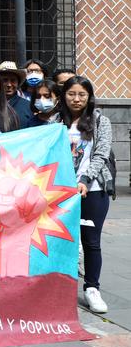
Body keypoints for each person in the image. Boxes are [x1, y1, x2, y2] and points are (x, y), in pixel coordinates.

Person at [60, 76, 113, 313]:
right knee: (60, 240)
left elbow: (101, 155)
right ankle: (61, 288)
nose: (76, 99)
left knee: (91, 241)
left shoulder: (101, 121)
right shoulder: (55, 120)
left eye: (82, 94)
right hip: (60, 192)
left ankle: (92, 288)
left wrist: (84, 180)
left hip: (93, 191)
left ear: (89, 97)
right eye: (71, 94)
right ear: (64, 95)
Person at [0, 61, 32, 128]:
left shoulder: (28, 106)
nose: (9, 85)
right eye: (5, 80)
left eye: (13, 80)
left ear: (18, 83)